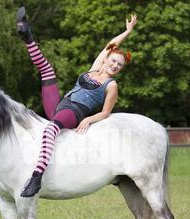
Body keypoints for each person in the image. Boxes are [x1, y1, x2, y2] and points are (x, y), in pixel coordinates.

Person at [17, 6, 137, 197]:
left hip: (75, 111)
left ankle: (36, 177)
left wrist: (88, 120)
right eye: (113, 61)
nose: (115, 65)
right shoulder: (94, 69)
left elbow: (106, 113)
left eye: (119, 65)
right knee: (47, 70)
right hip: (60, 104)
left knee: (50, 129)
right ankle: (27, 35)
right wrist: (127, 31)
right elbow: (110, 45)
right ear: (106, 60)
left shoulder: (111, 85)